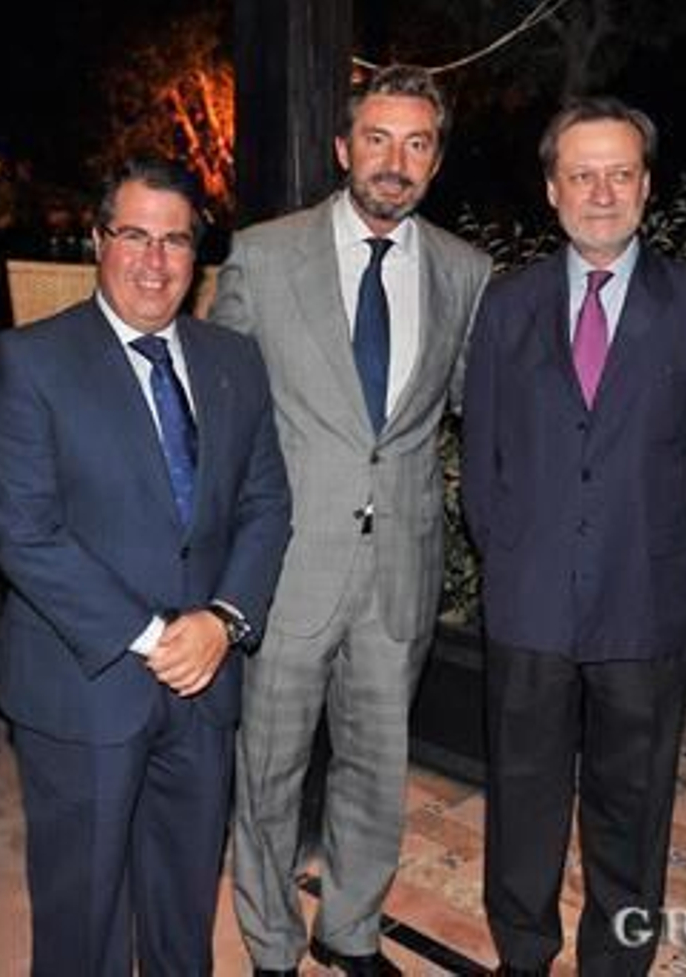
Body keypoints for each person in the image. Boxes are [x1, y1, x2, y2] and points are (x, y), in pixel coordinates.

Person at [0, 157, 291, 976]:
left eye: (176, 240)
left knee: (184, 905)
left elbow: (267, 505)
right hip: (85, 685)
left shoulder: (235, 361)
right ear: (96, 241)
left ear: (198, 255)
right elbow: (25, 533)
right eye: (135, 236)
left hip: (206, 684)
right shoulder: (29, 362)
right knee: (85, 918)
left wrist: (223, 621)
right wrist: (156, 635)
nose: (155, 261)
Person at [210, 64, 492, 975]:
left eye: (417, 144)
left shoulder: (466, 271)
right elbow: (224, 412)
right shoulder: (264, 252)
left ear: (436, 160)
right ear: (343, 147)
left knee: (378, 767)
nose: (394, 161)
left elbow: (468, 410)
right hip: (287, 561)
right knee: (268, 769)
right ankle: (270, 943)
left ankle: (352, 930)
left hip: (401, 567)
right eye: (378, 138)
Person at [460, 97, 686, 976]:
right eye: (582, 174)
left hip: (647, 603)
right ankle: (523, 953)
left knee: (634, 802)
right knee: (524, 799)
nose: (600, 192)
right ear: (551, 189)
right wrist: (517, 558)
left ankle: (617, 960)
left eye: (619, 173)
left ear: (646, 187)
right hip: (529, 599)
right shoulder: (508, 306)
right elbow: (484, 454)